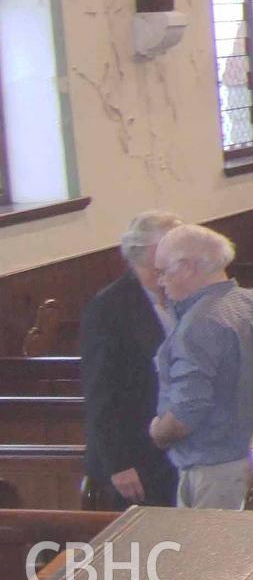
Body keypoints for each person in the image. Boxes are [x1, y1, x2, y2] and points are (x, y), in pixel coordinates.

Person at [149, 224, 253, 509]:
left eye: (163, 271)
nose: (160, 282)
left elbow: (185, 413)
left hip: (215, 471)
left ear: (187, 267)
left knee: (210, 553)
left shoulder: (197, 325)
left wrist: (157, 431)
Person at [80, 210, 184, 508]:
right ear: (143, 252)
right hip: (135, 457)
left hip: (174, 446)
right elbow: (100, 393)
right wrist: (118, 463)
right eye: (171, 244)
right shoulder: (109, 309)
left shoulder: (180, 293)